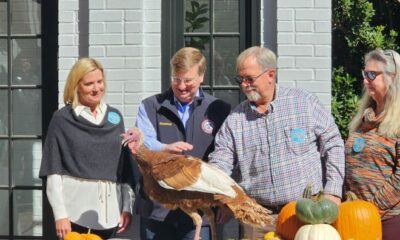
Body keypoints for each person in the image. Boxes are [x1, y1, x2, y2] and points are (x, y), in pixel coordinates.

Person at [208, 46, 345, 239]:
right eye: (241, 80)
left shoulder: (304, 103)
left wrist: (333, 192)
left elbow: (333, 144)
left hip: (306, 212)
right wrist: (222, 193)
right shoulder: (235, 120)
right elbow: (220, 161)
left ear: (270, 75)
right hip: (257, 218)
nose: (244, 85)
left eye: (250, 79)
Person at [135, 47, 231, 240]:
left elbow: (228, 155)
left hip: (201, 210)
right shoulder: (150, 106)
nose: (181, 86)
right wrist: (165, 148)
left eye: (188, 80)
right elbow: (142, 144)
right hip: (158, 208)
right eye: (176, 79)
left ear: (201, 77)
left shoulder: (219, 109)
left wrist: (225, 201)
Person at [39, 58, 134, 239]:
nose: (96, 88)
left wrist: (126, 207)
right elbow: (53, 170)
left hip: (110, 216)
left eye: (100, 82)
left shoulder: (115, 117)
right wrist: (60, 215)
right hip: (75, 214)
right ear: (76, 86)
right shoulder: (62, 119)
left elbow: (124, 170)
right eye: (89, 83)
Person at [345, 49, 400, 240]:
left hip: (389, 221)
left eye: (372, 75)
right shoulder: (363, 118)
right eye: (364, 73)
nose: (365, 80)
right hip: (355, 217)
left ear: (392, 78)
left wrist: (372, 208)